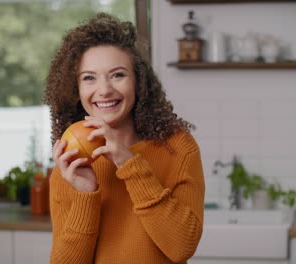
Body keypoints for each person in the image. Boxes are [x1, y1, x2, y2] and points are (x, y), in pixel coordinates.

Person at [44, 13, 205, 264]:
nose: (105, 89)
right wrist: (86, 194)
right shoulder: (71, 163)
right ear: (76, 90)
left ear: (138, 82)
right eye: (89, 78)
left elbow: (182, 246)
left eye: (117, 75)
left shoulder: (178, 148)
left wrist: (130, 165)